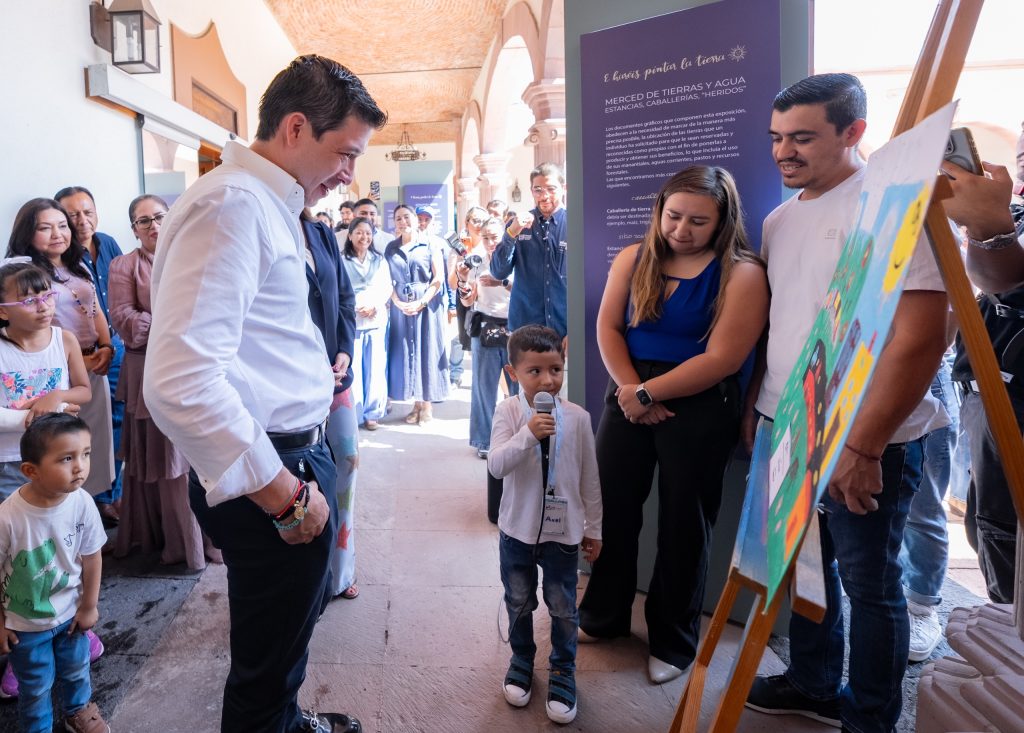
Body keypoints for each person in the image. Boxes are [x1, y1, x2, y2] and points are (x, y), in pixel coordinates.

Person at [144, 54, 386, 733]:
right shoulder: (233, 204)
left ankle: (286, 719)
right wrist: (284, 494)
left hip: (290, 453)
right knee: (264, 666)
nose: (349, 174)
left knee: (284, 640)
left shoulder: (266, 203)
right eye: (345, 153)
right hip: (272, 470)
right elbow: (180, 379)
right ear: (296, 127)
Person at [741, 74, 949, 733]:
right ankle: (813, 682)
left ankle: (869, 718)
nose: (783, 152)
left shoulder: (892, 203)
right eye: (776, 137)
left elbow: (921, 337)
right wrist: (759, 405)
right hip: (787, 421)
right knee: (803, 568)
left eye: (802, 137)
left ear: (853, 131)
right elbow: (781, 322)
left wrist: (864, 444)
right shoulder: (778, 219)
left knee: (870, 584)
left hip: (865, 434)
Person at [577, 165, 768, 684]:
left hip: (700, 399)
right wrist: (631, 390)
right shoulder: (633, 257)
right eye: (674, 216)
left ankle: (673, 640)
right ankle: (603, 614)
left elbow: (725, 357)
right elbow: (607, 327)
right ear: (659, 210)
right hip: (628, 390)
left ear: (723, 220)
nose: (681, 230)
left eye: (698, 221)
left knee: (686, 522)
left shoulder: (742, 272)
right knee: (612, 509)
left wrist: (648, 393)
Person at [0, 260, 106, 701]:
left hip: (59, 461)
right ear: (3, 310)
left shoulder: (63, 339)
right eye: (29, 299)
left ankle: (74, 621)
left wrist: (57, 396)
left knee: (67, 543)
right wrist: (37, 413)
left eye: (46, 295)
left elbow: (82, 390)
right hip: (11, 465)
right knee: (22, 556)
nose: (43, 306)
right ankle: (22, 645)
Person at [487, 325, 602, 725]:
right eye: (534, 371)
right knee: (519, 600)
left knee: (563, 606)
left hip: (562, 534)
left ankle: (563, 669)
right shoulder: (508, 412)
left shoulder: (579, 418)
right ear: (513, 372)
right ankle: (522, 659)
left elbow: (589, 478)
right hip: (516, 532)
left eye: (555, 369)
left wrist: (594, 528)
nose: (548, 380)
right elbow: (496, 465)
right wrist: (527, 435)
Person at [108, 195, 217, 571]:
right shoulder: (125, 265)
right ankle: (182, 543)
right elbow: (125, 320)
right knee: (168, 463)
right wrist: (179, 323)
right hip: (150, 370)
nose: (153, 225)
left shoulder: (193, 254)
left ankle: (212, 534)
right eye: (144, 221)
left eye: (159, 217)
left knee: (203, 457)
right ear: (134, 230)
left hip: (198, 368)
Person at [941, 144, 1024, 604]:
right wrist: (987, 226)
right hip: (992, 389)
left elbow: (1007, 283)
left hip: (1010, 394)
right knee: (990, 524)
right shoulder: (1015, 210)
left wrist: (989, 228)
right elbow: (994, 284)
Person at [0, 413, 108, 733]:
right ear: (31, 471)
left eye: (85, 454)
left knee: (77, 669)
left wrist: (89, 606)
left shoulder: (82, 503)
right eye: (66, 458)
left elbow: (92, 557)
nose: (80, 467)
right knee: (35, 688)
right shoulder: (8, 517)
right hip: (24, 625)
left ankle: (78, 712)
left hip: (71, 615)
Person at [6, 199, 117, 511]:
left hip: (93, 365)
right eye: (45, 227)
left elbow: (95, 309)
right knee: (59, 447)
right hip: (58, 370)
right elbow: (34, 335)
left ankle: (88, 508)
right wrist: (80, 360)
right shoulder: (25, 276)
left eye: (62, 225)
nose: (58, 233)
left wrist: (106, 346)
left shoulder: (78, 264)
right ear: (27, 233)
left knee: (92, 442)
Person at [55, 187, 124, 525]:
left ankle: (113, 493)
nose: (82, 220)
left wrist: (112, 344)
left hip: (116, 345)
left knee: (121, 422)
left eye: (87, 212)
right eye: (72, 215)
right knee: (88, 428)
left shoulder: (107, 243)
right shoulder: (61, 256)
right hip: (79, 356)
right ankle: (94, 499)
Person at [300, 208, 359, 601]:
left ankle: (342, 568)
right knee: (307, 476)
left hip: (337, 378)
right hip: (296, 385)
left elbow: (344, 298)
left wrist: (344, 351)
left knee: (347, 463)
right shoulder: (265, 226)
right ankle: (313, 577)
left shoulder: (320, 232)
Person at [385, 204, 449, 424]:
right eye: (398, 218)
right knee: (406, 352)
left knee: (426, 350)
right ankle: (416, 403)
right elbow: (386, 279)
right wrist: (397, 302)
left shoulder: (430, 244)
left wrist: (422, 301)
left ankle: (427, 404)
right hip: (400, 306)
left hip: (427, 305)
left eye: (407, 217)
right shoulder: (391, 247)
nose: (403, 221)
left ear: (415, 219)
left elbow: (438, 278)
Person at [490, 163, 568, 339]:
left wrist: (575, 329)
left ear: (564, 188)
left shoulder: (576, 223)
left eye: (551, 189)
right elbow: (498, 272)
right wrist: (511, 233)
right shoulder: (517, 224)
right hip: (525, 329)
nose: (544, 196)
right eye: (538, 190)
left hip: (565, 330)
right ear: (531, 191)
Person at [463, 216, 516, 459]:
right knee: (483, 388)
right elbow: (469, 299)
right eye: (485, 238)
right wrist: (464, 289)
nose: (490, 242)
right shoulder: (476, 261)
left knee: (518, 387)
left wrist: (501, 282)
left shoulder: (516, 257)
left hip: (515, 327)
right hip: (485, 326)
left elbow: (523, 287)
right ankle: (483, 439)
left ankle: (520, 435)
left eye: (495, 237)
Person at [342, 216, 392, 430]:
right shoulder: (341, 260)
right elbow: (339, 289)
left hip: (375, 318)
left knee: (375, 368)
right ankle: (355, 413)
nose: (364, 237)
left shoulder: (379, 260)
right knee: (353, 368)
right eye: (359, 232)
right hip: (351, 321)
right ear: (350, 235)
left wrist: (374, 305)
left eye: (368, 233)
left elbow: (386, 286)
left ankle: (373, 413)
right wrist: (355, 308)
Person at [448, 206, 488, 389]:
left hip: (488, 300)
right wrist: (460, 268)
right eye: (476, 220)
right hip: (466, 299)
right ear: (467, 223)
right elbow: (451, 283)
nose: (479, 225)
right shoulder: (458, 248)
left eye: (483, 220)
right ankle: (456, 374)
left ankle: (482, 380)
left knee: (485, 341)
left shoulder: (491, 244)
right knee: (465, 338)